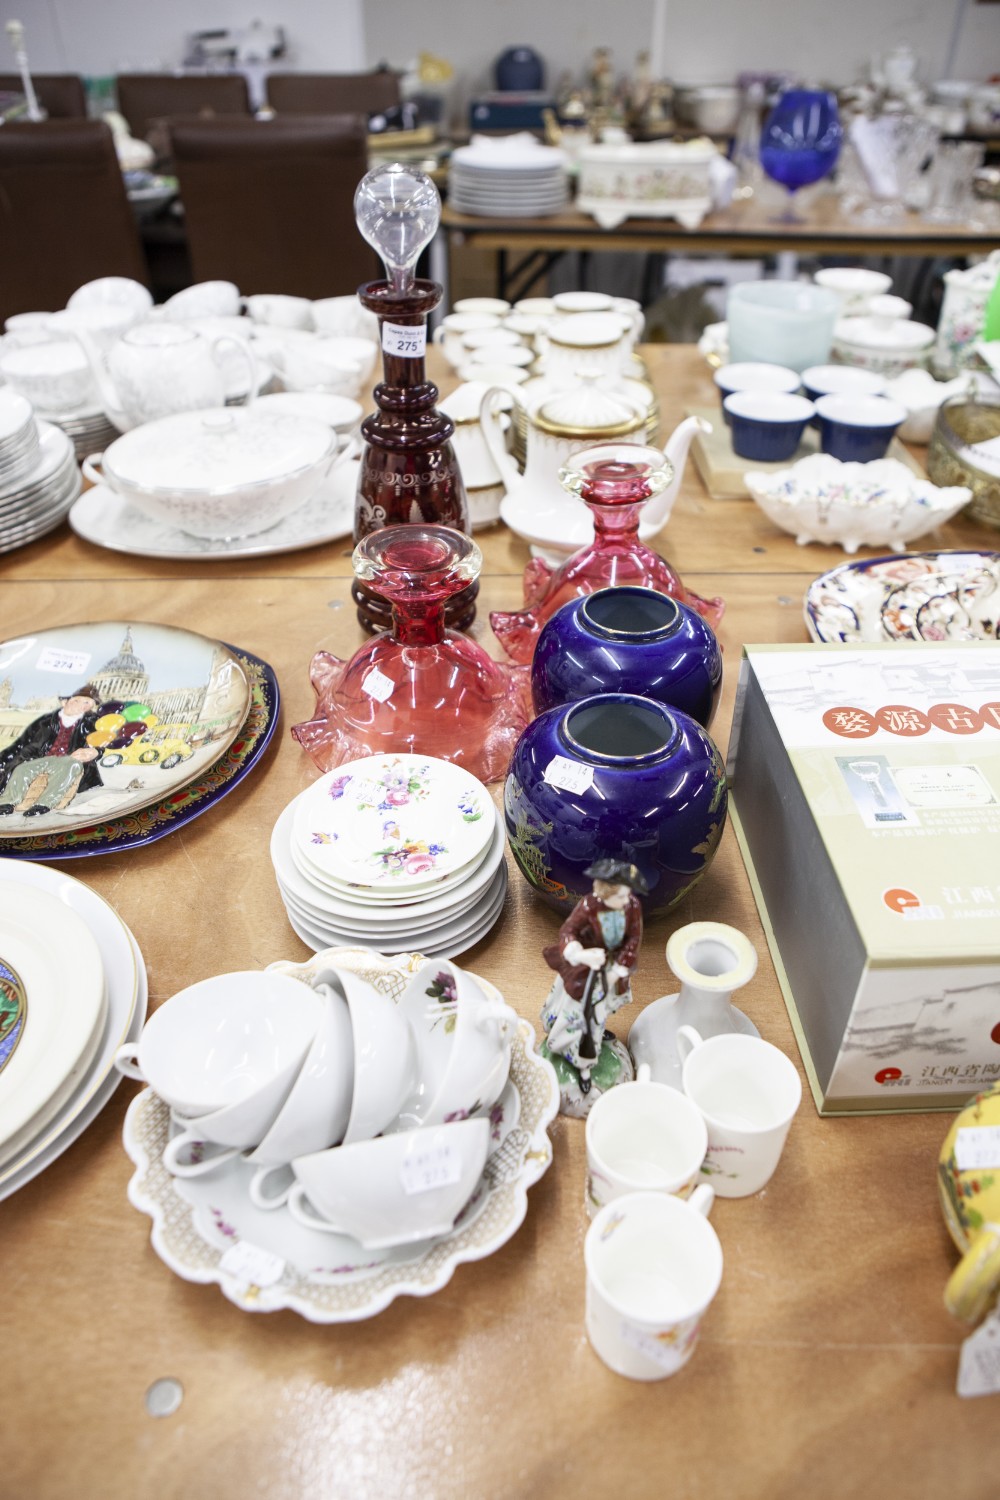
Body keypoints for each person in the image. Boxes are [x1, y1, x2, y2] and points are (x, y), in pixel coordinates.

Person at [541, 859, 648, 1093]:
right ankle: (583, 1065)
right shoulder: (589, 906)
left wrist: (619, 969)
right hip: (585, 972)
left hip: (611, 971)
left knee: (601, 1013)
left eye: (626, 895)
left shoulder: (631, 906)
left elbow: (633, 940)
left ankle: (595, 1039)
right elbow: (568, 932)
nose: (625, 900)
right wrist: (582, 954)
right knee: (581, 1018)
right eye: (619, 896)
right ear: (604, 893)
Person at [0, 685, 104, 817]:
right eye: (77, 701)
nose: (81, 706)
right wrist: (3, 760)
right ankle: (7, 802)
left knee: (72, 765)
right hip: (42, 759)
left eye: (87, 703)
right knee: (22, 769)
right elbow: (21, 743)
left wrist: (96, 751)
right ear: (65, 702)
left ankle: (45, 803)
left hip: (70, 759)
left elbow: (102, 741)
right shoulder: (45, 722)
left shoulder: (92, 723)